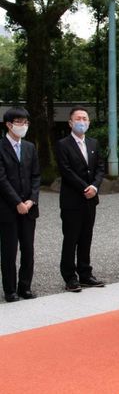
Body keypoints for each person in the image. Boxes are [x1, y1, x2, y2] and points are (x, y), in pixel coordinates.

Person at [56, 106, 106, 292]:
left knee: (86, 237)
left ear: (89, 122)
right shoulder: (63, 144)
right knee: (71, 238)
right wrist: (85, 187)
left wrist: (95, 186)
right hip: (72, 200)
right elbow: (66, 170)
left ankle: (85, 273)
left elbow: (100, 167)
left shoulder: (93, 143)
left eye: (85, 118)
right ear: (70, 122)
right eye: (78, 118)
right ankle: (70, 277)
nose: (82, 122)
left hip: (90, 199)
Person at [0, 108, 40, 302]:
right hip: (8, 208)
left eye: (26, 122)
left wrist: (31, 199)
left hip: (29, 207)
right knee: (9, 251)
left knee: (28, 249)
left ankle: (25, 287)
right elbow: (1, 179)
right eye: (19, 122)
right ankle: (10, 290)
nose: (23, 126)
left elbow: (36, 176)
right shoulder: (0, 147)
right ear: (9, 124)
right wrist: (17, 202)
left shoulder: (30, 147)